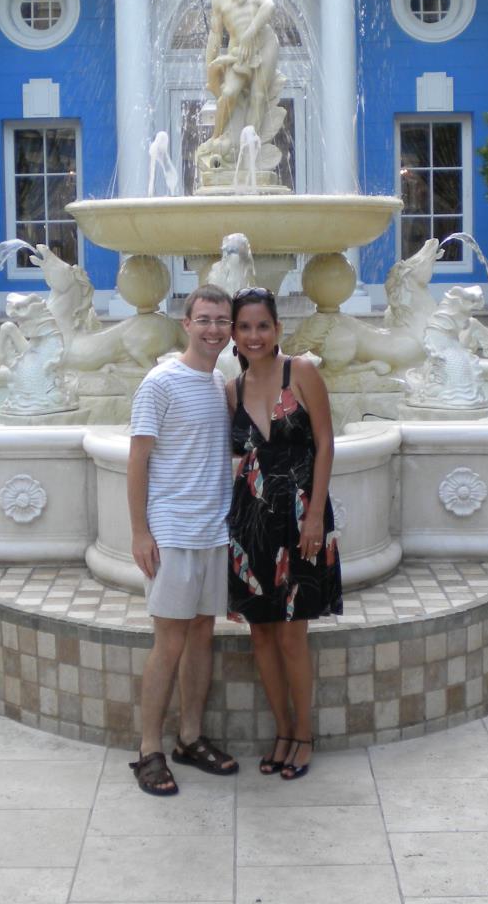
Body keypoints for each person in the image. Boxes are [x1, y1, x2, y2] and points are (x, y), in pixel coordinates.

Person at [127, 284, 240, 796]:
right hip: (173, 533)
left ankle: (190, 737)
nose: (214, 329)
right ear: (186, 324)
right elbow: (137, 460)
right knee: (169, 641)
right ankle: (148, 749)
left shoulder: (219, 383)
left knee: (201, 635)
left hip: (214, 531)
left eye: (222, 320)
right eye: (205, 319)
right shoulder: (160, 383)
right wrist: (140, 531)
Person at [226, 286, 341, 780]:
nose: (254, 335)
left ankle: (304, 735)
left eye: (262, 326)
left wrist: (314, 516)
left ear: (277, 329)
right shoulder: (231, 390)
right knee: (262, 637)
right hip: (250, 525)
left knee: (293, 637)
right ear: (234, 334)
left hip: (301, 521)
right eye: (244, 327)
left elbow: (325, 443)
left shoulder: (303, 373)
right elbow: (232, 458)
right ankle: (281, 731)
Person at [201, 0, 284, 158]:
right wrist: (210, 65)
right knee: (229, 93)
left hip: (265, 44)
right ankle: (216, 138)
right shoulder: (220, 1)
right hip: (238, 53)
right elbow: (215, 35)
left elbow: (269, 5)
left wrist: (250, 33)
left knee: (258, 95)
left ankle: (248, 152)